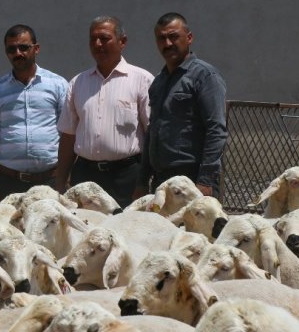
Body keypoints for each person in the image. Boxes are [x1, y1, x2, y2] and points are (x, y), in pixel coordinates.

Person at [56, 16, 153, 208]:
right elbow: (68, 136)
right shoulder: (78, 83)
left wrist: (145, 180)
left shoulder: (142, 80)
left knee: (127, 231)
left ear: (122, 41)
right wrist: (60, 180)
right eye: (93, 39)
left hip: (127, 177)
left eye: (104, 38)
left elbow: (152, 135)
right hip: (85, 176)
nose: (98, 44)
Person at [135, 12, 227, 199]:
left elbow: (216, 130)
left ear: (189, 38)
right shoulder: (159, 82)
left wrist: (205, 180)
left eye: (173, 36)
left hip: (193, 179)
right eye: (162, 38)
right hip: (162, 180)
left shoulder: (205, 76)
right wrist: (142, 181)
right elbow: (152, 132)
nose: (167, 43)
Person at [0, 24, 69, 203]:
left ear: (36, 49)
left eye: (23, 47)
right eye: (11, 49)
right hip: (10, 182)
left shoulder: (58, 85)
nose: (18, 53)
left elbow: (68, 134)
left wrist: (66, 176)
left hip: (50, 181)